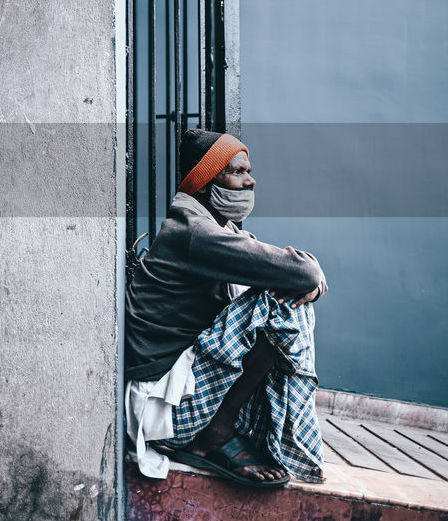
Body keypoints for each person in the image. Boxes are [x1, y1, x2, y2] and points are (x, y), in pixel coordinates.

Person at [125, 129, 327, 487]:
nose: (250, 181)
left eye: (247, 171)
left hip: (179, 396)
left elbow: (297, 273)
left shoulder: (220, 231)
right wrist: (310, 279)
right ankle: (216, 434)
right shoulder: (193, 233)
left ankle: (225, 430)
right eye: (237, 172)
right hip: (162, 412)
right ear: (204, 182)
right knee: (279, 307)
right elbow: (303, 271)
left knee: (279, 297)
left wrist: (308, 280)